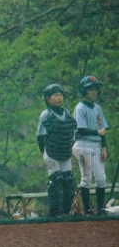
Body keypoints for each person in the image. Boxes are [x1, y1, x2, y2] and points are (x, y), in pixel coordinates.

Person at [36, 83, 77, 217]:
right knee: (56, 179)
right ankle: (54, 212)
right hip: (52, 151)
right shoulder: (46, 115)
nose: (59, 98)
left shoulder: (66, 113)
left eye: (60, 95)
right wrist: (44, 153)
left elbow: (70, 132)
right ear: (47, 99)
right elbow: (40, 136)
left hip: (65, 152)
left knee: (68, 179)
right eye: (55, 95)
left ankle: (65, 211)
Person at [72, 75, 109, 216]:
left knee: (101, 178)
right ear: (84, 91)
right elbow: (81, 129)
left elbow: (102, 130)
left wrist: (104, 147)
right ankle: (87, 210)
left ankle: (100, 209)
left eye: (95, 89)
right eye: (90, 89)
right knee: (86, 177)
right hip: (82, 144)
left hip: (95, 145)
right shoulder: (80, 108)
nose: (93, 91)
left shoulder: (97, 108)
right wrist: (97, 132)